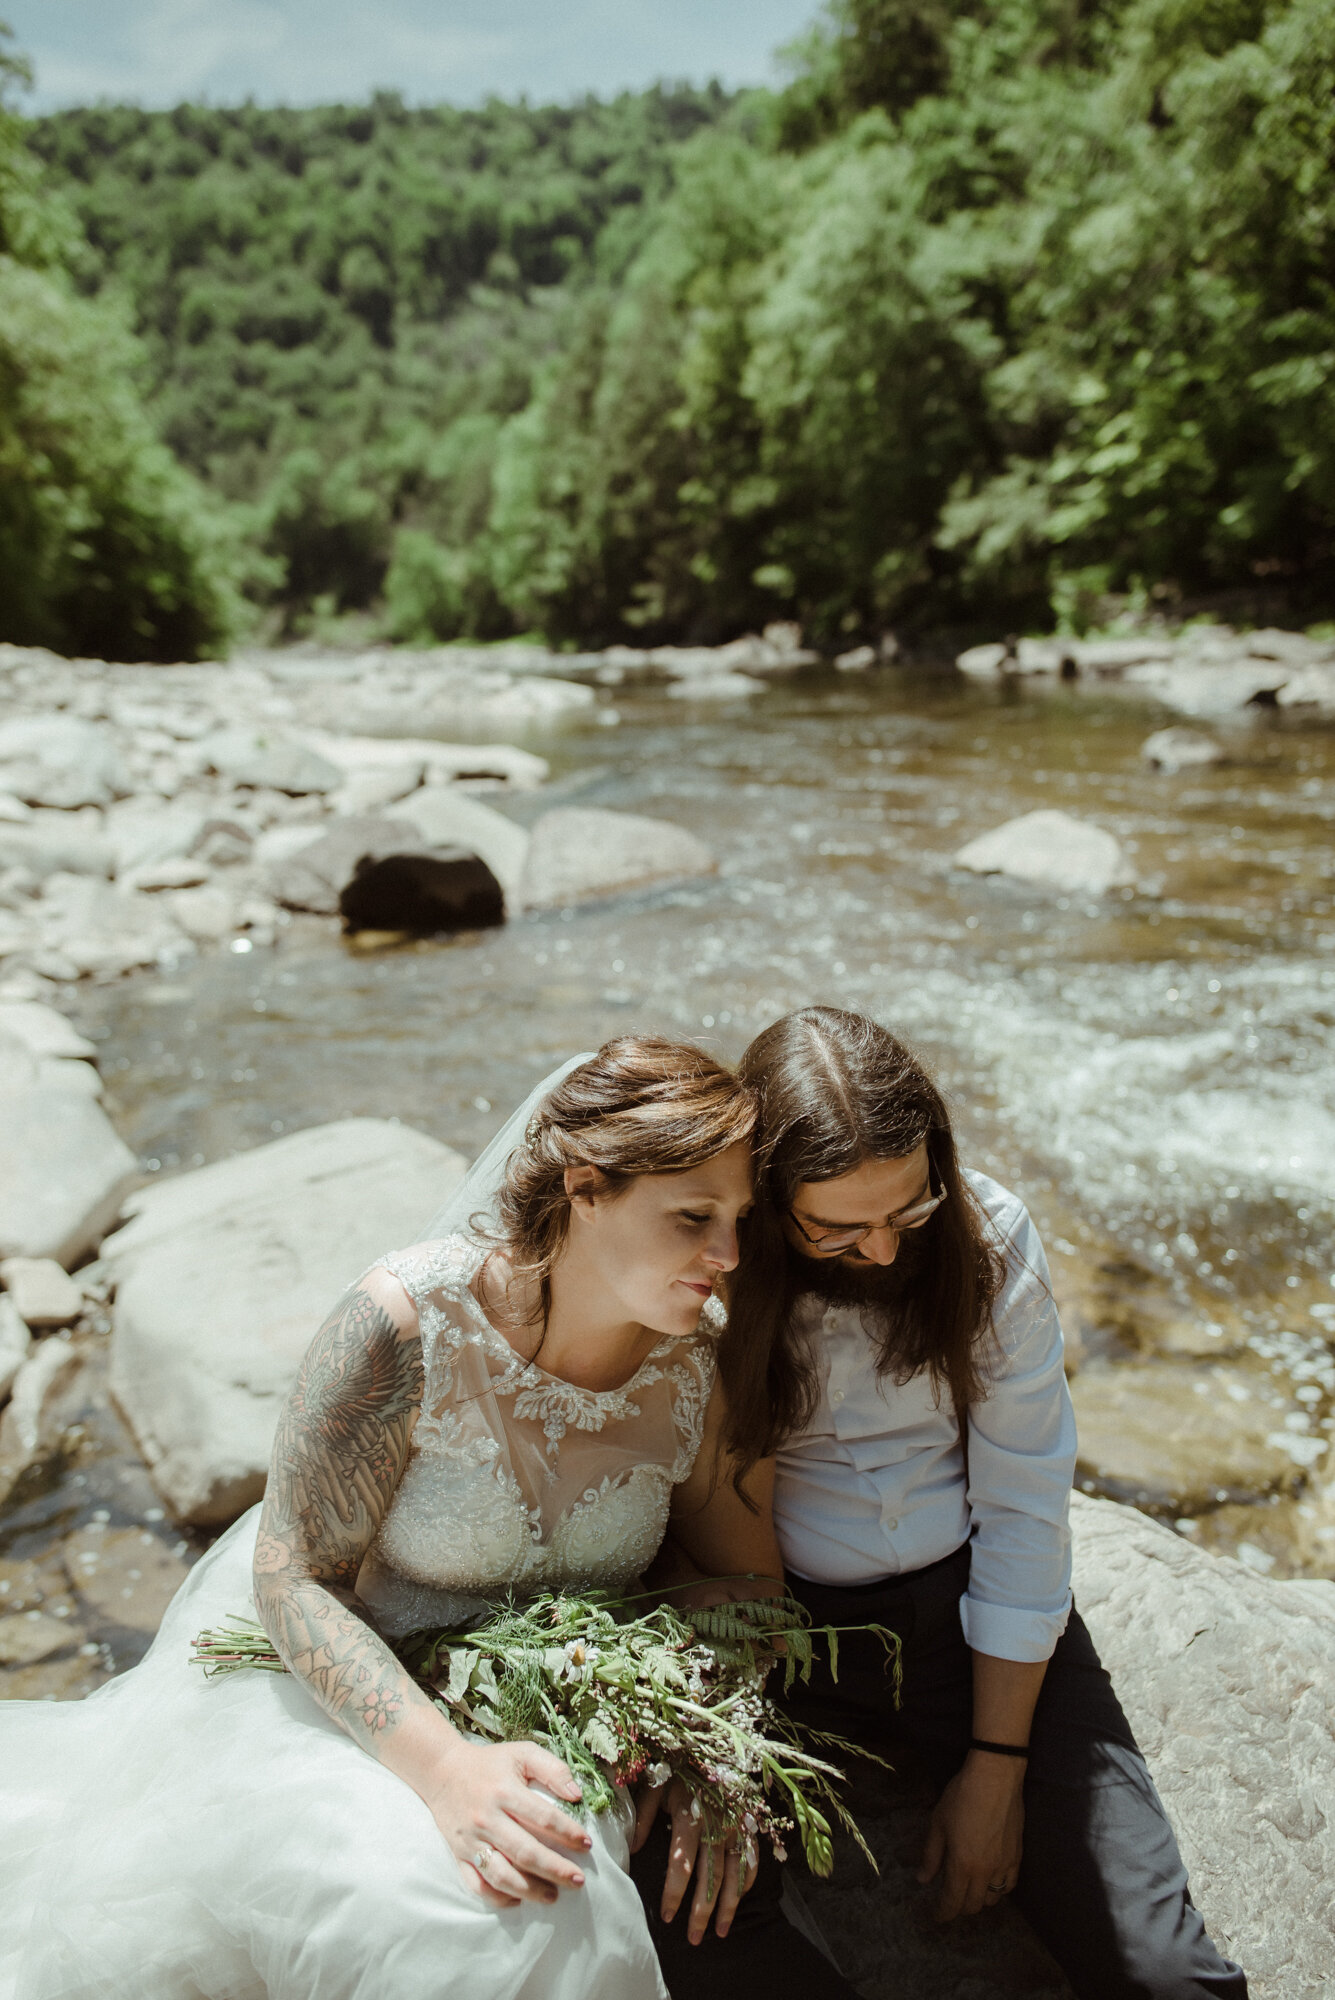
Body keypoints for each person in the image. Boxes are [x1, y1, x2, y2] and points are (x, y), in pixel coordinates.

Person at [0, 1037, 783, 2000]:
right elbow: (293, 1576)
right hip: (335, 1705)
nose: (729, 1255)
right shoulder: (406, 1325)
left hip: (564, 1723)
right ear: (586, 1188)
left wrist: (710, 1746)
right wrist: (447, 1772)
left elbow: (746, 1585)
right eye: (693, 1216)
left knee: (546, 1887)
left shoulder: (700, 1374)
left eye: (739, 1218)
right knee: (453, 1919)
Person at [631, 1006, 1248, 2000]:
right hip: (784, 1637)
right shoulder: (713, 1273)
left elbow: (1024, 1499)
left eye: (908, 1210)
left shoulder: (989, 1236)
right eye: (837, 1227)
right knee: (702, 1928)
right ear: (769, 1200)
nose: (881, 1250)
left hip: (974, 1620)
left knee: (1168, 1975)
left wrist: (997, 1766)